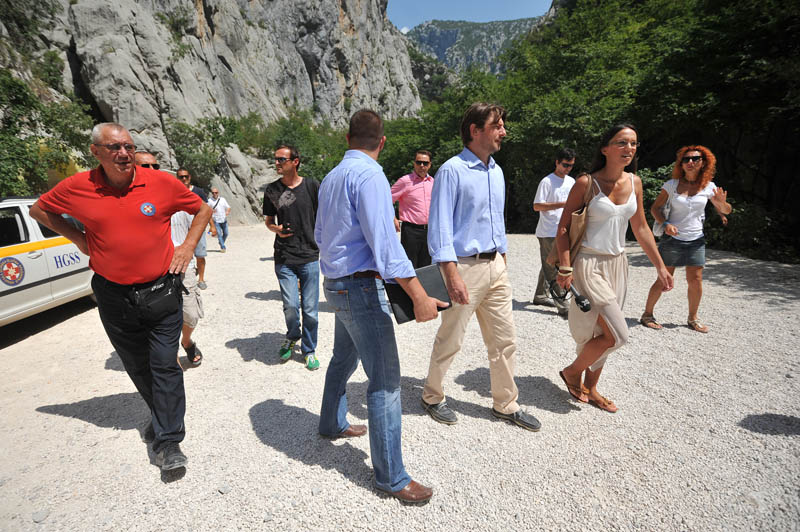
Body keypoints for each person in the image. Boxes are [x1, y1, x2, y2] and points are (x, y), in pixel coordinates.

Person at [30, 123, 212, 471]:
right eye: (114, 148)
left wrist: (188, 247)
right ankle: (161, 418)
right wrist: (79, 239)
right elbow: (40, 210)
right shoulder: (78, 186)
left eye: (128, 146)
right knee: (138, 366)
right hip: (113, 296)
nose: (124, 153)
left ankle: (170, 441)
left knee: (164, 364)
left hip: (160, 291)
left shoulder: (159, 182)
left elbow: (202, 209)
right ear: (95, 151)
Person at [315, 109, 446, 504]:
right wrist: (419, 295)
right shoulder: (371, 175)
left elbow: (321, 234)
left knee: (342, 357)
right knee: (386, 381)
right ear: (382, 141)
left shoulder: (331, 178)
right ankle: (391, 478)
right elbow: (386, 247)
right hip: (359, 287)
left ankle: (331, 423)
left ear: (347, 137)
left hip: (335, 284)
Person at [422, 102, 541, 432]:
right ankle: (432, 395)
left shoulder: (497, 171)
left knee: (505, 340)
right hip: (463, 268)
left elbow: (496, 220)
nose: (504, 131)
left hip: (495, 266)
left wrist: (502, 254)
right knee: (452, 338)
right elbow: (441, 228)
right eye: (497, 125)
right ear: (476, 130)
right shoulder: (451, 171)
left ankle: (506, 403)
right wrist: (451, 273)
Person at [555, 124, 674, 413]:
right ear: (605, 148)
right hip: (588, 264)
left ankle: (591, 387)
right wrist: (565, 268)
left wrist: (660, 266)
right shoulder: (586, 183)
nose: (629, 149)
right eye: (622, 142)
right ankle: (572, 372)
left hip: (618, 264)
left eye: (633, 143)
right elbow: (563, 227)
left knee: (603, 330)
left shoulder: (635, 182)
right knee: (618, 334)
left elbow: (641, 227)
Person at [640, 145, 731, 333]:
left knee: (696, 279)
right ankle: (647, 314)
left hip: (696, 239)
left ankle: (693, 318)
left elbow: (726, 210)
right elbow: (655, 209)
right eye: (686, 159)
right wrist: (665, 224)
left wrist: (722, 204)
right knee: (665, 278)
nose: (690, 162)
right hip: (673, 240)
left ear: (703, 162)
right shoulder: (672, 185)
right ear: (681, 164)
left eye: (695, 159)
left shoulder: (709, 187)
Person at [133, 153, 205, 367]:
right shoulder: (129, 198)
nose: (152, 169)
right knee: (160, 318)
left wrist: (188, 247)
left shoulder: (176, 192)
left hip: (183, 266)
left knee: (191, 315)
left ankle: (187, 341)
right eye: (145, 165)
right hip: (152, 270)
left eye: (155, 165)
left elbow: (203, 212)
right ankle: (171, 358)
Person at [263, 145, 321, 370]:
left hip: (309, 255)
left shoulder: (312, 186)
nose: (277, 163)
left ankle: (309, 349)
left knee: (310, 309)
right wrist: (276, 229)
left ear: (295, 161)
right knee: (290, 305)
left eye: (281, 160)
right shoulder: (272, 190)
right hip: (284, 256)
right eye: (275, 159)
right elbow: (268, 221)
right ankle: (292, 335)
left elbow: (325, 216)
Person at [532, 148, 576, 318]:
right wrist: (561, 204)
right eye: (565, 164)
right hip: (548, 230)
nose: (567, 168)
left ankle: (540, 295)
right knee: (553, 267)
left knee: (549, 263)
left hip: (564, 230)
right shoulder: (547, 182)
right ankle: (562, 304)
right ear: (557, 162)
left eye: (571, 165)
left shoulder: (571, 181)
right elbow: (537, 206)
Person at [391, 150, 434, 267]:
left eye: (425, 163)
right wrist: (392, 217)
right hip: (411, 231)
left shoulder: (433, 183)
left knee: (426, 267)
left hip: (429, 231)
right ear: (414, 164)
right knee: (410, 266)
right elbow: (386, 199)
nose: (422, 166)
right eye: (418, 162)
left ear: (430, 165)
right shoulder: (405, 181)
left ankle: (423, 286)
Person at [176, 168, 210, 290]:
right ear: (177, 178)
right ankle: (184, 277)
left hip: (198, 228)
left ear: (190, 177)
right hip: (181, 229)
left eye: (186, 176)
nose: (184, 179)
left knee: (200, 255)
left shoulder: (198, 191)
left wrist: (212, 225)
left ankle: (201, 278)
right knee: (182, 253)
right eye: (181, 177)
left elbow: (207, 210)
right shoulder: (174, 192)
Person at [208, 188, 230, 252]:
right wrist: (211, 210)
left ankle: (221, 242)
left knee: (226, 233)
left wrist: (227, 212)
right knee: (219, 234)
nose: (214, 194)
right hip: (216, 220)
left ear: (218, 193)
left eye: (216, 192)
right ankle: (223, 247)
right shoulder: (209, 201)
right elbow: (206, 209)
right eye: (213, 193)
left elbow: (228, 207)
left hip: (223, 219)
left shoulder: (222, 199)